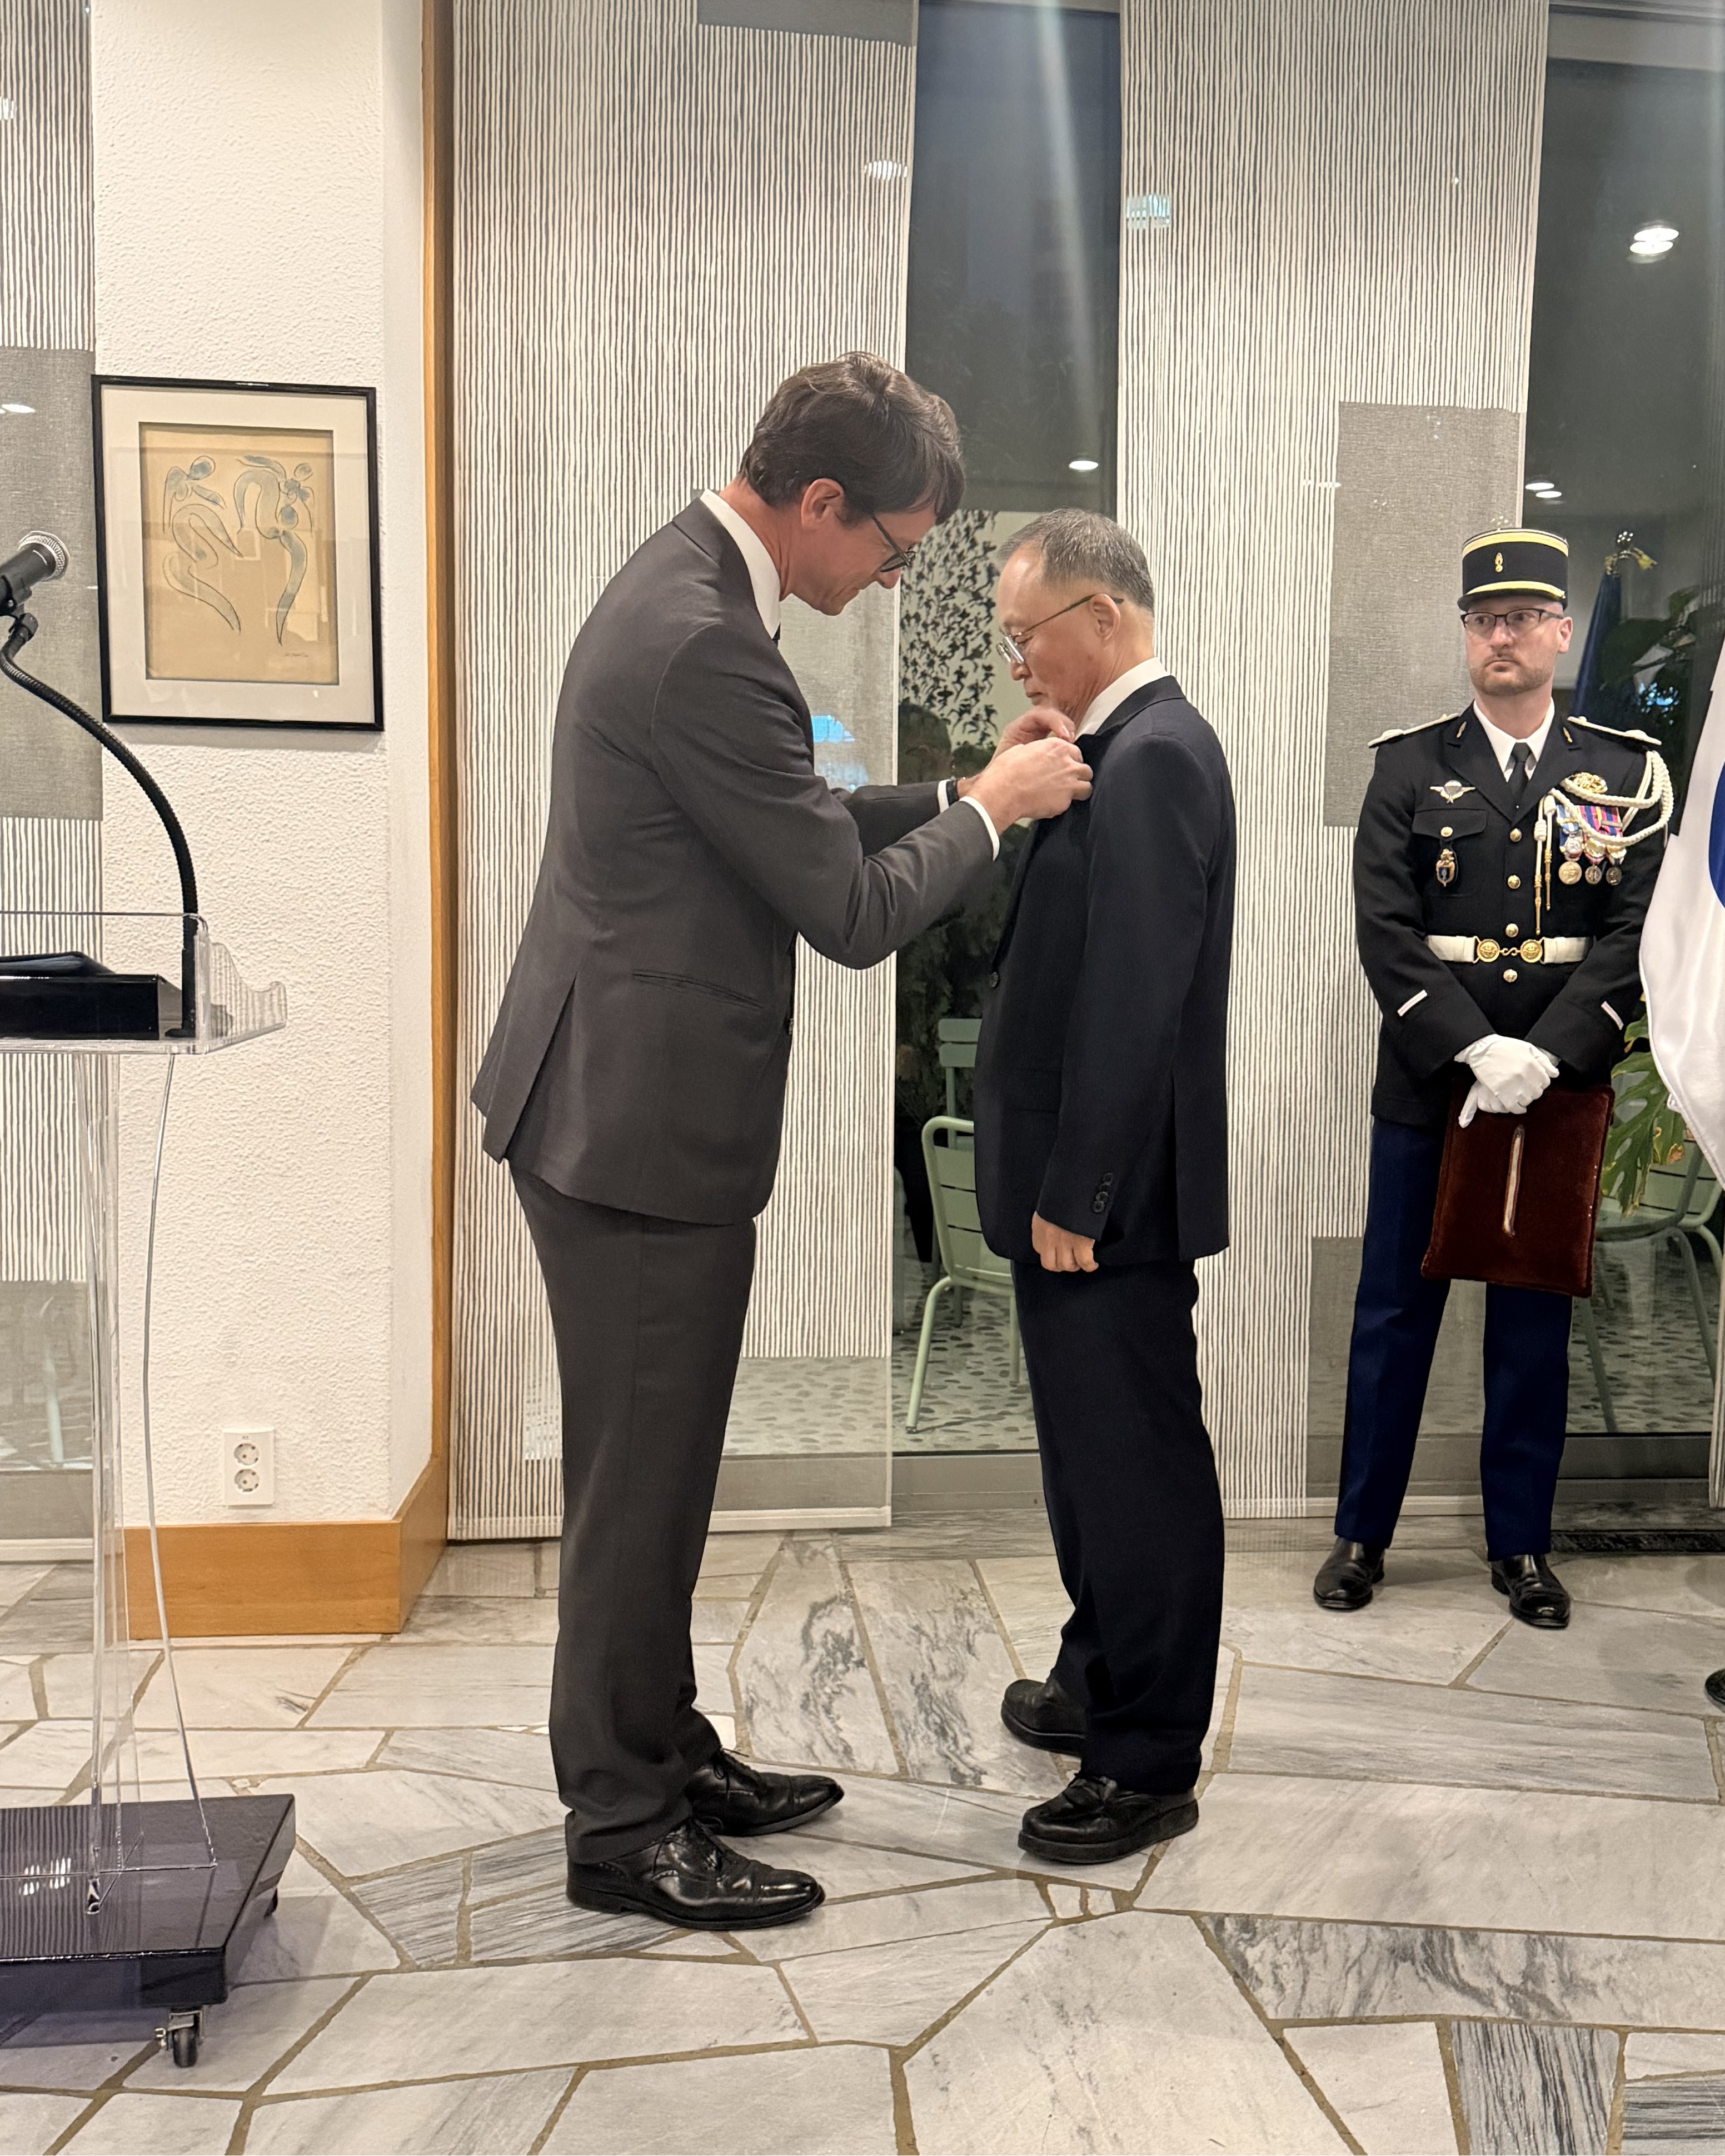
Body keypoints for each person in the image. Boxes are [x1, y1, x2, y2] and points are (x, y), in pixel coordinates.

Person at [472, 355, 1091, 1933]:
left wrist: (960, 784)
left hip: (621, 1108)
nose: (886, 579)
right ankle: (623, 1825)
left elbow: (789, 817)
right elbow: (852, 911)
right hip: (631, 1129)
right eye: (889, 548)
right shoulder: (703, 639)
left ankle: (664, 1748)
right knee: (637, 1489)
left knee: (657, 1474)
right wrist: (995, 813)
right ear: (820, 502)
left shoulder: (691, 589)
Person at [1315, 528, 1670, 1629]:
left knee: (1531, 1320)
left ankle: (1520, 1543)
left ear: (1561, 631)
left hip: (1556, 1090)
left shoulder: (1621, 773)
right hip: (1433, 1082)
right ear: (1465, 635)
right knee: (1393, 1313)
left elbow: (1633, 931)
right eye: (1482, 620)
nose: (1499, 637)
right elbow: (1387, 930)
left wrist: (1550, 1052)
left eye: (1520, 618)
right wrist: (1474, 1047)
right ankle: (1362, 1535)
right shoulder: (1407, 766)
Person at [973, 510, 1236, 1864]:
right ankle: (1096, 1673)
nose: (1017, 660)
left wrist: (1080, 1188)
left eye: (1027, 634)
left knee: (1135, 1470)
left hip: (1106, 1206)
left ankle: (1145, 1756)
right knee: (1087, 1462)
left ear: (1104, 617)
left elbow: (1136, 994)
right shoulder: (1108, 753)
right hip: (1074, 1193)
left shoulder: (1160, 756)